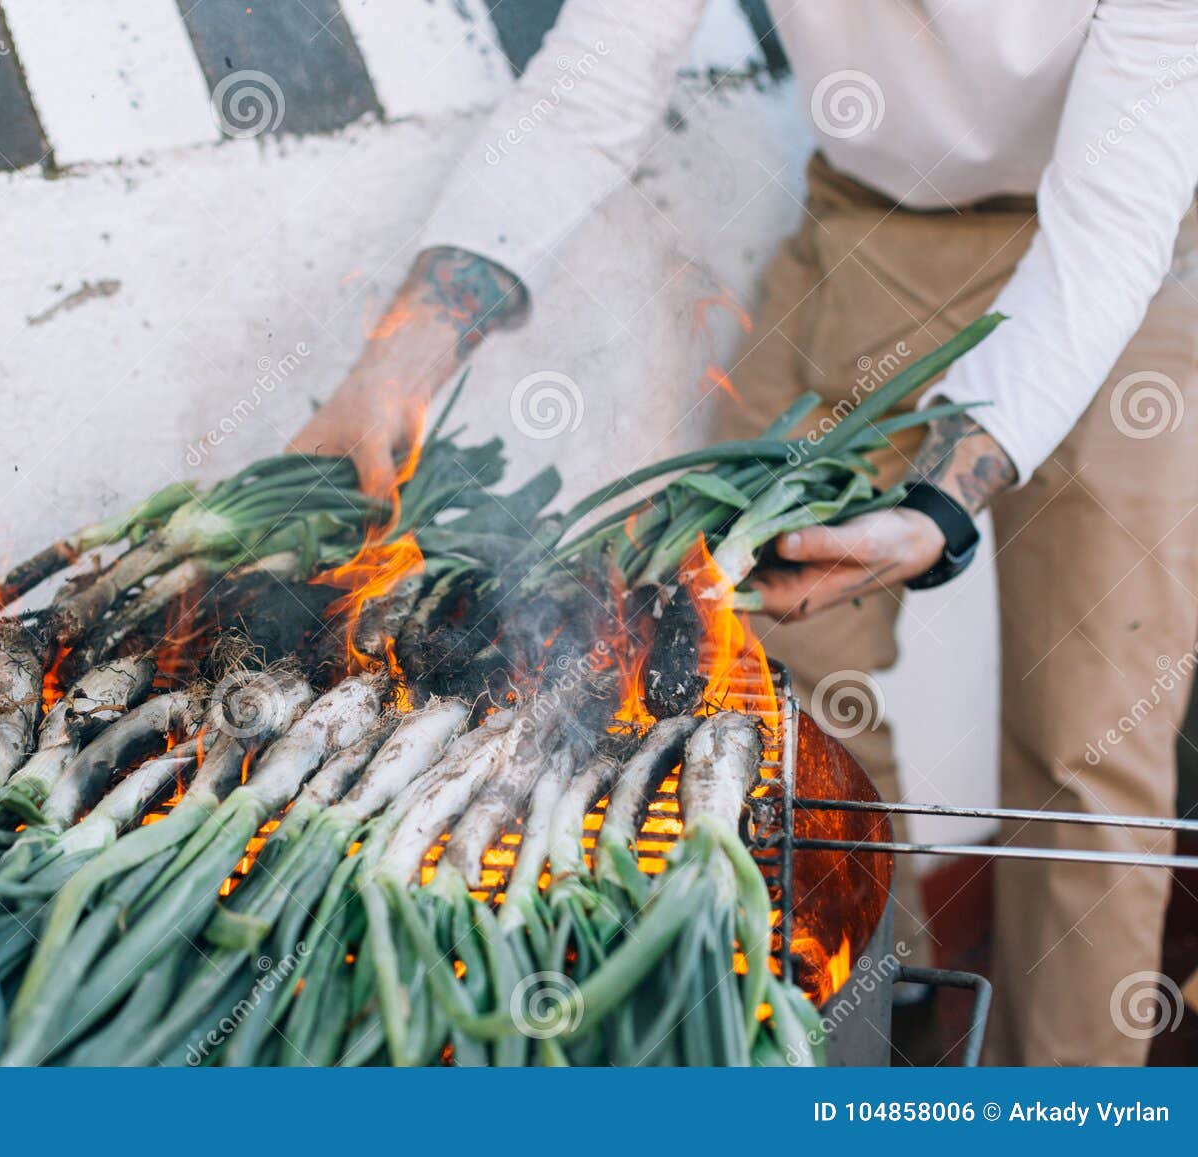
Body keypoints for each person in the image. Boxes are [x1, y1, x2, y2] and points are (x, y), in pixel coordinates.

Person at [289, 0, 1198, 1065]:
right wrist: (402, 358)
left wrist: (939, 506)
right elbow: (596, 75)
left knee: (1090, 734)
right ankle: (877, 1022)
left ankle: (1069, 1102)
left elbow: (1108, 223)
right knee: (763, 669)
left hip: (1130, 259)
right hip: (876, 225)